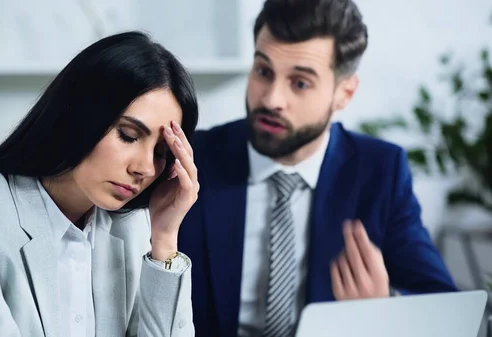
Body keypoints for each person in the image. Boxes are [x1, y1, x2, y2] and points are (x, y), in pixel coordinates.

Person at [177, 0, 458, 336]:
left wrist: (386, 306)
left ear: (344, 93)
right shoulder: (195, 159)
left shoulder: (380, 171)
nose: (271, 100)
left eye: (300, 83)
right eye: (263, 71)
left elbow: (446, 310)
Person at [0, 31, 199, 337]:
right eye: (128, 135)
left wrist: (164, 240)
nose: (144, 168)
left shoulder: (133, 227)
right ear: (82, 115)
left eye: (161, 152)